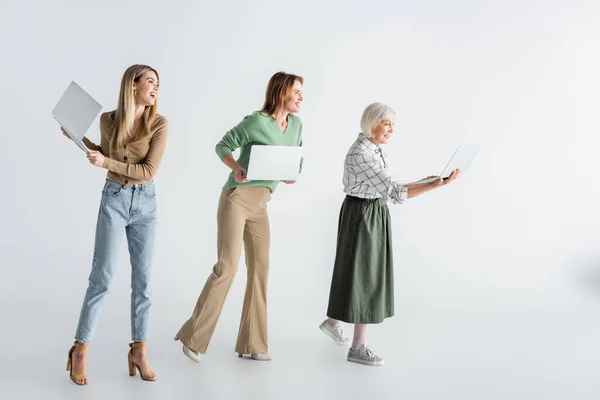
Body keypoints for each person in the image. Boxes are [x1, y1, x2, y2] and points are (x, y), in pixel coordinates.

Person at [175, 72, 304, 362]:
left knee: (260, 269)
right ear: (281, 92)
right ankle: (192, 338)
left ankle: (253, 344)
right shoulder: (256, 121)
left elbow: (298, 158)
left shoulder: (295, 125)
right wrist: (235, 167)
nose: (300, 98)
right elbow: (223, 145)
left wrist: (291, 173)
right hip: (237, 199)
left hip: (261, 205)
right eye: (296, 92)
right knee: (227, 267)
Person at [319, 102, 459, 366]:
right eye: (387, 123)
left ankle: (332, 322)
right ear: (372, 123)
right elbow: (395, 193)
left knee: (357, 270)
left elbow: (389, 187)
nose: (392, 129)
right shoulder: (363, 154)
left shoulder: (373, 149)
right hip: (363, 214)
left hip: (370, 210)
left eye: (393, 123)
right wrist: (434, 187)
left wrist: (431, 180)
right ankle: (358, 347)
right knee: (366, 274)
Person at [64, 64, 168, 385]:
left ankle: (139, 350)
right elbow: (102, 153)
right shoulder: (108, 119)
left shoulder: (159, 124)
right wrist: (75, 136)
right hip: (114, 198)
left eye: (158, 84)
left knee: (144, 282)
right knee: (102, 278)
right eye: (150, 81)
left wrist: (106, 162)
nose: (155, 88)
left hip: (145, 203)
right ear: (132, 85)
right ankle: (79, 350)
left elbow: (148, 171)